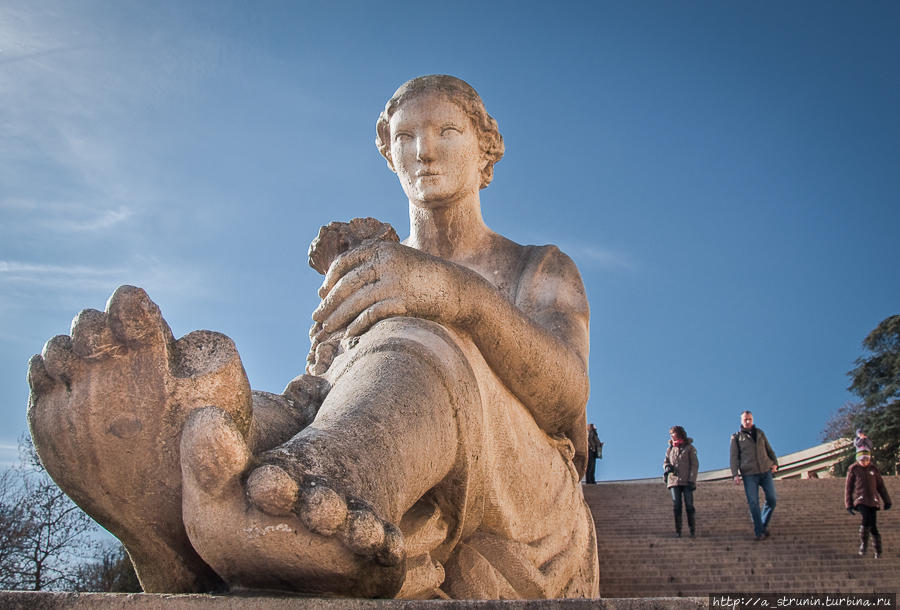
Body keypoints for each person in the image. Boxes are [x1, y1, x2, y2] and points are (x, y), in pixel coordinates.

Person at [27, 75, 599, 599]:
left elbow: (567, 400)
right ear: (389, 153)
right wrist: (253, 409)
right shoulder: (375, 269)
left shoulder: (538, 268)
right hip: (372, 424)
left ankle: (324, 494)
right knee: (246, 420)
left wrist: (460, 298)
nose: (423, 151)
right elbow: (325, 394)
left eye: (446, 131)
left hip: (522, 490)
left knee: (421, 344)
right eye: (406, 137)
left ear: (485, 153)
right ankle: (164, 471)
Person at [730, 410, 778, 540]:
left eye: (749, 419)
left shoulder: (760, 433)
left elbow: (769, 449)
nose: (747, 421)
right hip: (749, 474)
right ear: (741, 421)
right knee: (753, 503)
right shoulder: (736, 437)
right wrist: (735, 474)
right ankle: (759, 532)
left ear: (753, 419)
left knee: (772, 499)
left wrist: (775, 462)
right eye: (745, 419)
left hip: (765, 471)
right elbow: (734, 457)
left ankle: (762, 524)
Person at [845, 447, 892, 558]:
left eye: (867, 460)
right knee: (866, 519)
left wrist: (887, 500)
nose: (865, 462)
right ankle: (864, 543)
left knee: (873, 526)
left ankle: (878, 550)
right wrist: (849, 504)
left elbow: (881, 486)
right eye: (862, 460)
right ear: (858, 459)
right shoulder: (854, 469)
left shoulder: (873, 469)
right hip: (860, 499)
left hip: (873, 500)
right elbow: (848, 488)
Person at [664, 425, 698, 537]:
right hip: (673, 481)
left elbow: (694, 464)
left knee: (689, 505)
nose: (671, 436)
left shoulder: (690, 448)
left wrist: (692, 479)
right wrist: (667, 467)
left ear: (679, 433)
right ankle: (678, 531)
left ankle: (692, 529)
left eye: (673, 433)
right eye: (670, 434)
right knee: (676, 505)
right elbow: (665, 461)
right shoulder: (670, 448)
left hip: (687, 480)